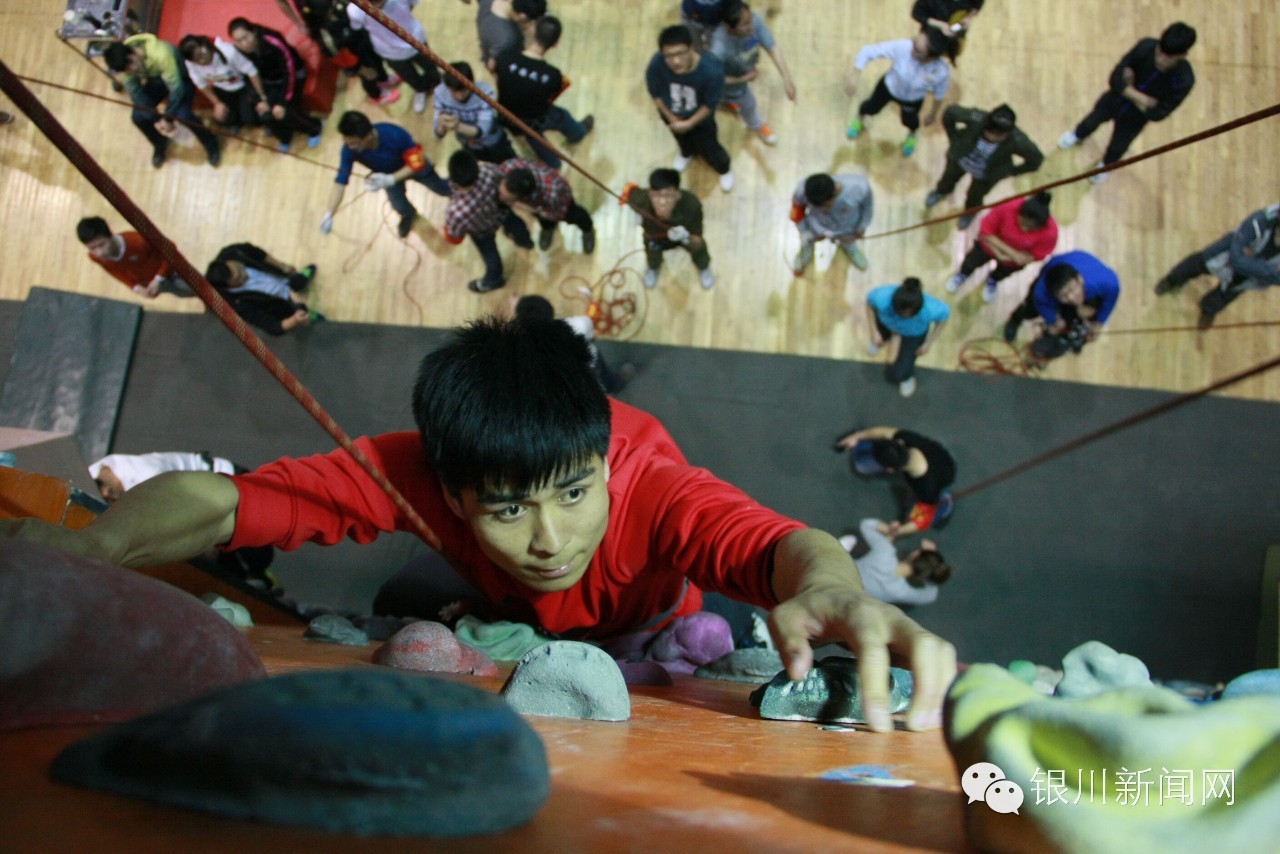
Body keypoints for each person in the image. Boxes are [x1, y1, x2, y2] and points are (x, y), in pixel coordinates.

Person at [6, 316, 957, 734]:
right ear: (453, 493)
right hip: (497, 616)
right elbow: (230, 500)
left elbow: (771, 542)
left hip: (642, 628)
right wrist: (93, 550)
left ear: (599, 463)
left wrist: (831, 588)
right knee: (409, 604)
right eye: (508, 507)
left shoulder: (649, 484)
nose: (552, 538)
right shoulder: (412, 471)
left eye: (573, 494)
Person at [87, 451, 276, 591]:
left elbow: (184, 516)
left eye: (111, 499)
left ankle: (260, 579)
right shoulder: (96, 472)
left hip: (227, 480)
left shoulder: (145, 479)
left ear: (110, 491)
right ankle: (250, 577)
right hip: (199, 494)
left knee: (259, 552)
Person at [1058, 22, 1196, 184]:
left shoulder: (1184, 80)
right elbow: (1115, 79)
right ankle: (1077, 135)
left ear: (1183, 55)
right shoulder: (1145, 47)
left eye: (1168, 58)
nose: (1160, 60)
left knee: (1118, 145)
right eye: (1160, 53)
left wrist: (1127, 88)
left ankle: (1105, 166)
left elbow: (1158, 113)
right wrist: (1143, 99)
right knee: (1091, 120)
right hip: (1113, 100)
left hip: (1134, 119)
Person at [321, 110, 451, 239]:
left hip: (410, 169)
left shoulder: (395, 134)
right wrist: (329, 213)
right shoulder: (349, 150)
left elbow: (417, 163)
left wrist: (391, 179)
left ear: (369, 136)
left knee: (441, 188)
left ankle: (459, 191)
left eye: (354, 143)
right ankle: (408, 215)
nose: (350, 147)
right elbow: (339, 183)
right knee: (398, 205)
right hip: (386, 177)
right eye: (347, 142)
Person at [102, 35, 221, 169]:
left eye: (130, 66)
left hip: (182, 79)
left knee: (184, 116)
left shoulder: (161, 54)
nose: (131, 72)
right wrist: (156, 119)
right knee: (138, 117)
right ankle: (160, 143)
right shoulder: (126, 69)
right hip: (158, 81)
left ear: (133, 54)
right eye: (126, 71)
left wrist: (168, 118)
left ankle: (211, 142)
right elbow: (136, 93)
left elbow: (177, 89)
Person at [1155, 204, 1280, 330]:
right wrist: (1269, 270)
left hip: (1247, 277)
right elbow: (1236, 260)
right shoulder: (1259, 222)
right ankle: (1171, 281)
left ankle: (1208, 310)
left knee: (1225, 295)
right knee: (1196, 265)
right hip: (1223, 255)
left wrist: (1250, 262)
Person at [494, 15, 595, 170]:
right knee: (562, 116)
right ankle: (577, 134)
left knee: (533, 137)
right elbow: (550, 97)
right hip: (533, 119)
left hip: (507, 116)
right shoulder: (553, 75)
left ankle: (553, 162)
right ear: (555, 44)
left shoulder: (505, 58)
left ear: (533, 31)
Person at [646, 25, 735, 193]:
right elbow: (655, 93)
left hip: (701, 120)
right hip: (671, 114)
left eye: (680, 53)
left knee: (711, 147)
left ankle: (724, 169)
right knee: (681, 140)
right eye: (669, 56)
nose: (675, 61)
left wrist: (690, 123)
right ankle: (686, 153)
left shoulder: (711, 70)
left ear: (691, 48)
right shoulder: (657, 63)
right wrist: (671, 118)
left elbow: (710, 104)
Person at [925, 104, 1044, 229]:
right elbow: (950, 111)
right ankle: (941, 192)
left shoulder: (1017, 140)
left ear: (1008, 133)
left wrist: (1011, 172)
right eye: (990, 132)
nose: (992, 137)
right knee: (948, 178)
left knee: (975, 197)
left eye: (998, 135)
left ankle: (970, 213)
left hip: (986, 175)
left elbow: (1036, 160)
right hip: (960, 160)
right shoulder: (976, 118)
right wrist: (954, 137)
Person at [845, 27, 950, 157]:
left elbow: (940, 93)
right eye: (914, 42)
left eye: (918, 51)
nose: (911, 50)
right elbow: (868, 51)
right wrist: (854, 76)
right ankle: (859, 120)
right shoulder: (903, 47)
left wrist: (933, 114)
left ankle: (911, 135)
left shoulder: (940, 71)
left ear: (930, 57)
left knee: (909, 121)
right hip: (888, 88)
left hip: (912, 99)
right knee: (870, 107)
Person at [835, 426, 956, 537]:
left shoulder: (927, 490)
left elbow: (922, 520)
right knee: (864, 460)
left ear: (891, 470)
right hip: (942, 459)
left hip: (938, 484)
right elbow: (885, 432)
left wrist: (899, 529)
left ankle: (945, 508)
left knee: (922, 509)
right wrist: (856, 437)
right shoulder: (909, 439)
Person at [443, 149, 534, 294]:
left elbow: (454, 238)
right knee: (516, 224)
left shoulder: (455, 213)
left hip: (482, 232)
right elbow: (502, 177)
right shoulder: (488, 170)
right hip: (502, 211)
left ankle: (493, 280)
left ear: (453, 179)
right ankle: (526, 241)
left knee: (490, 255)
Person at [708, 0, 796, 146]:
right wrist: (744, 78)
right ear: (728, 28)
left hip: (738, 78)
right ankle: (757, 124)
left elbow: (772, 47)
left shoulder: (754, 20)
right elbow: (713, 80)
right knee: (748, 104)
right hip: (729, 82)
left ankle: (728, 103)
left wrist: (787, 78)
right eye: (745, 24)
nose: (752, 26)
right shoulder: (719, 48)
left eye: (750, 20)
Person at [228, 17, 324, 152]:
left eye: (246, 37)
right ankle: (285, 137)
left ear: (253, 32)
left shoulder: (271, 40)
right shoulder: (238, 52)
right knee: (264, 115)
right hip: (269, 81)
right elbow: (246, 77)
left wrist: (282, 101)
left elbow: (289, 68)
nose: (244, 44)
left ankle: (315, 127)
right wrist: (258, 100)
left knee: (286, 111)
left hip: (293, 75)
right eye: (238, 41)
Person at [1003, 251, 1121, 360]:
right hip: (1047, 288)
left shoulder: (1104, 283)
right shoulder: (1041, 293)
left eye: (1072, 289)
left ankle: (1058, 347)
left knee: (1081, 326)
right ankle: (1015, 320)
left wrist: (1100, 323)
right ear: (1055, 296)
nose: (1071, 298)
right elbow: (1042, 305)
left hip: (1088, 293)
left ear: (1080, 279)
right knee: (1030, 310)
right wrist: (1053, 320)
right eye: (1064, 295)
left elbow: (1112, 293)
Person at [946, 192, 1058, 303]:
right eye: (1022, 223)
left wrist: (1007, 256)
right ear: (1018, 213)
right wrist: (1011, 254)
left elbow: (1034, 256)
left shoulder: (1050, 233)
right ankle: (962, 274)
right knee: (970, 263)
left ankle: (993, 280)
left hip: (1011, 262)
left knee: (1001, 274)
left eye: (1031, 228)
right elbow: (985, 232)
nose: (1025, 229)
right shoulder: (1008, 206)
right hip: (988, 248)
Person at [513, 294, 633, 393]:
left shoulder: (522, 347)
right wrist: (589, 302)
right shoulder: (574, 326)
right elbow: (590, 321)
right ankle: (617, 385)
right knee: (605, 377)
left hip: (567, 384)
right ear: (550, 311)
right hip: (590, 364)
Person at [624, 168, 713, 290]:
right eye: (656, 195)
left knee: (699, 248)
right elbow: (629, 191)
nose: (662, 202)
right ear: (649, 193)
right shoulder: (640, 201)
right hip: (655, 237)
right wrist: (636, 212)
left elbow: (697, 238)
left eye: (668, 196)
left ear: (677, 194)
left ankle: (703, 267)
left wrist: (686, 237)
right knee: (651, 251)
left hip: (683, 237)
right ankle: (653, 267)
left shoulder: (691, 205)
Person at [205, 243, 321, 336]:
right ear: (229, 286)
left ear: (228, 261)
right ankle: (306, 314)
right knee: (300, 310)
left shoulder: (233, 253)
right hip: (281, 304)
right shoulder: (236, 306)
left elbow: (257, 253)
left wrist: (281, 265)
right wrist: (295, 320)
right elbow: (272, 327)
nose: (245, 274)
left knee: (295, 281)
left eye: (240, 268)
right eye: (239, 278)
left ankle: (298, 280)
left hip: (280, 277)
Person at [347, 0, 439, 114]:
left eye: (380, 1)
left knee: (430, 66)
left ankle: (438, 84)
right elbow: (357, 27)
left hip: (416, 40)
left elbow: (411, 5)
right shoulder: (355, 10)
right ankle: (421, 90)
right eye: (373, 3)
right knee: (409, 76)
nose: (378, 6)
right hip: (389, 52)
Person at [864, 278, 950, 398]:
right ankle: (881, 340)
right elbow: (869, 303)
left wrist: (928, 343)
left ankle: (907, 378)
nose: (903, 318)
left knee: (899, 373)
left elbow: (943, 319)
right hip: (886, 324)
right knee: (879, 338)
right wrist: (874, 331)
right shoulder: (882, 297)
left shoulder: (931, 309)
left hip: (913, 334)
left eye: (908, 316)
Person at [839, 519, 951, 607]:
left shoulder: (885, 550)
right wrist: (932, 568)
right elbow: (931, 595)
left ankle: (838, 552)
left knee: (850, 545)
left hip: (840, 574)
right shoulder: (902, 592)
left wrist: (890, 530)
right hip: (849, 599)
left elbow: (866, 524)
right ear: (924, 577)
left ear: (915, 554)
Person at [76, 216, 192, 299]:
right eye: (93, 248)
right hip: (153, 284)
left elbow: (170, 249)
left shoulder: (138, 240)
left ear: (110, 234)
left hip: (173, 272)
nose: (100, 253)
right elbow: (115, 272)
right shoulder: (95, 257)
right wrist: (136, 287)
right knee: (181, 294)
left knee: (196, 288)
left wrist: (159, 278)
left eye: (101, 245)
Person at [496, 157, 596, 253]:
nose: (500, 197)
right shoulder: (507, 167)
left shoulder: (552, 193)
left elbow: (549, 213)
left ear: (521, 197)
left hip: (561, 201)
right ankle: (548, 228)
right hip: (538, 202)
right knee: (543, 220)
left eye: (505, 197)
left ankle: (588, 229)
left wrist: (527, 208)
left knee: (573, 215)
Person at [433, 61, 518, 163]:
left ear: (471, 83)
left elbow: (483, 130)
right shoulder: (440, 93)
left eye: (463, 90)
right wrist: (442, 125)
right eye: (454, 91)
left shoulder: (485, 93)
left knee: (509, 163)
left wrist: (457, 126)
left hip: (493, 141)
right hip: (468, 143)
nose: (459, 96)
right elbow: (437, 134)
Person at [790, 172, 873, 275]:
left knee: (848, 241)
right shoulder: (801, 191)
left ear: (836, 190)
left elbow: (867, 208)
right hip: (816, 226)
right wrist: (804, 232)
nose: (821, 209)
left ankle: (851, 248)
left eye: (824, 205)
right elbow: (797, 214)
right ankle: (807, 249)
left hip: (847, 228)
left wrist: (862, 226)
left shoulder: (860, 188)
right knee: (808, 240)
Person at [179, 35, 267, 132]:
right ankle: (236, 122)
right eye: (197, 60)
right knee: (222, 117)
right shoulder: (190, 64)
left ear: (204, 46)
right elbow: (201, 84)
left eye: (201, 55)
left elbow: (251, 71)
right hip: (222, 89)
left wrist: (261, 96)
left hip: (242, 86)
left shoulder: (228, 51)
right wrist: (217, 103)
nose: (202, 61)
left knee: (251, 119)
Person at [476, 0, 545, 72]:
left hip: (487, 40)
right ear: (522, 17)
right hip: (502, 56)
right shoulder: (509, 39)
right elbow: (492, 65)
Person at [910, 0, 983, 62]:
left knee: (953, 53)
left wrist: (969, 17)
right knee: (920, 50)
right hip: (933, 32)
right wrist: (940, 25)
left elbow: (978, 4)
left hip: (955, 31)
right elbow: (916, 13)